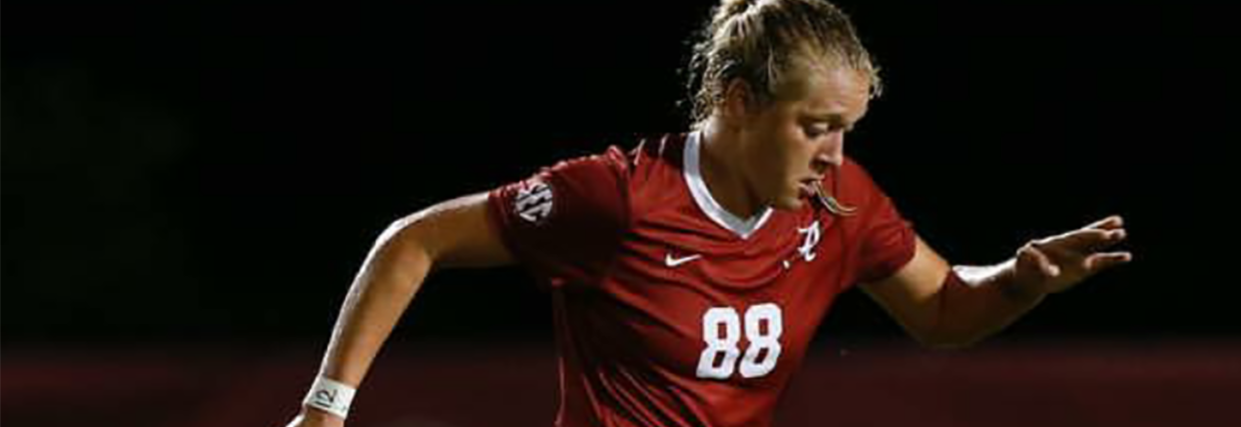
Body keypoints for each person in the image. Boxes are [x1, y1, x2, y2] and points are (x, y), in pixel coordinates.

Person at [284, 0, 1132, 425]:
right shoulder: (617, 197)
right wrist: (326, 407)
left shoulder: (839, 204)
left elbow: (943, 310)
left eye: (846, 129)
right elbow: (416, 240)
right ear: (737, 102)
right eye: (815, 126)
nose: (834, 153)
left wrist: (1018, 280)